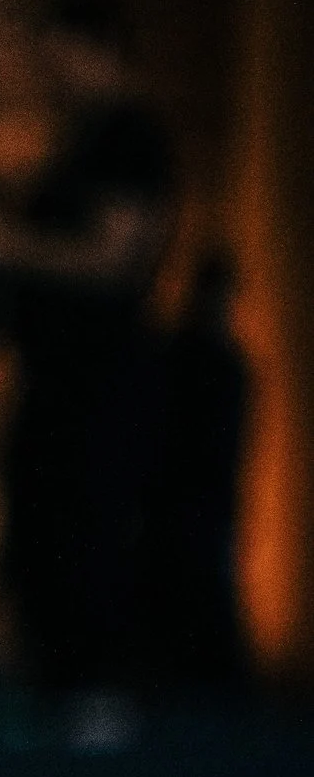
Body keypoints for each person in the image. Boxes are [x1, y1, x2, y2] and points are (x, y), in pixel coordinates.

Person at [0, 0, 177, 696]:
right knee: (36, 525)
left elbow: (115, 258)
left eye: (58, 57)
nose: (50, 76)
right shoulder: (78, 138)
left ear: (95, 47)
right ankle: (54, 683)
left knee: (87, 527)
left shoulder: (130, 135)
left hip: (100, 374)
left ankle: (96, 690)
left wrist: (4, 244)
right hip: (53, 370)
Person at [140, 247, 252, 692]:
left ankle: (214, 691)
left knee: (206, 592)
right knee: (178, 592)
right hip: (177, 501)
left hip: (207, 501)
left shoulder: (229, 364)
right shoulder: (182, 357)